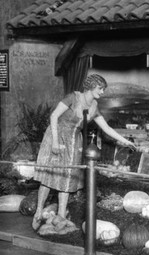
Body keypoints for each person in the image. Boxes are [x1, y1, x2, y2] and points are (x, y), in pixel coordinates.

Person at [32, 74, 136, 231]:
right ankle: (38, 212)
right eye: (100, 88)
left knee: (67, 178)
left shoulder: (94, 106)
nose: (102, 92)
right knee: (49, 175)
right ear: (91, 86)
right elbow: (53, 116)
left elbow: (106, 128)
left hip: (74, 140)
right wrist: (55, 141)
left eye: (103, 89)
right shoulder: (73, 97)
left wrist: (126, 141)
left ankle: (61, 216)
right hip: (57, 136)